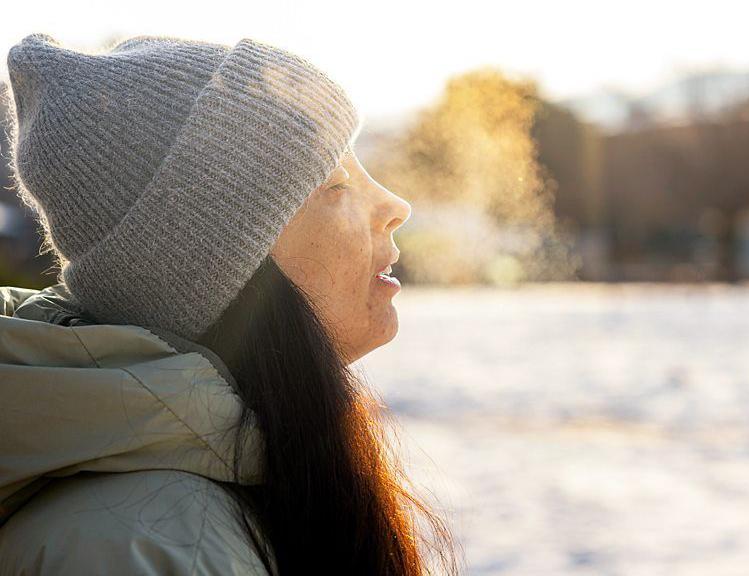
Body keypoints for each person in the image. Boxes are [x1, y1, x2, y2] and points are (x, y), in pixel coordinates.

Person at [0, 33, 459, 575]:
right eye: (335, 184)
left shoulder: (239, 476)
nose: (395, 204)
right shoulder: (147, 548)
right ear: (220, 267)